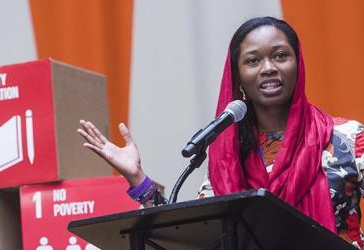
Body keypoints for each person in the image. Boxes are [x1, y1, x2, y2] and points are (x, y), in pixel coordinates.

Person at [77, 17, 364, 248]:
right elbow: (192, 235)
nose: (268, 68)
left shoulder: (348, 139)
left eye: (280, 56)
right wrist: (138, 179)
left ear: (298, 65)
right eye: (253, 61)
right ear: (238, 77)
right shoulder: (229, 159)